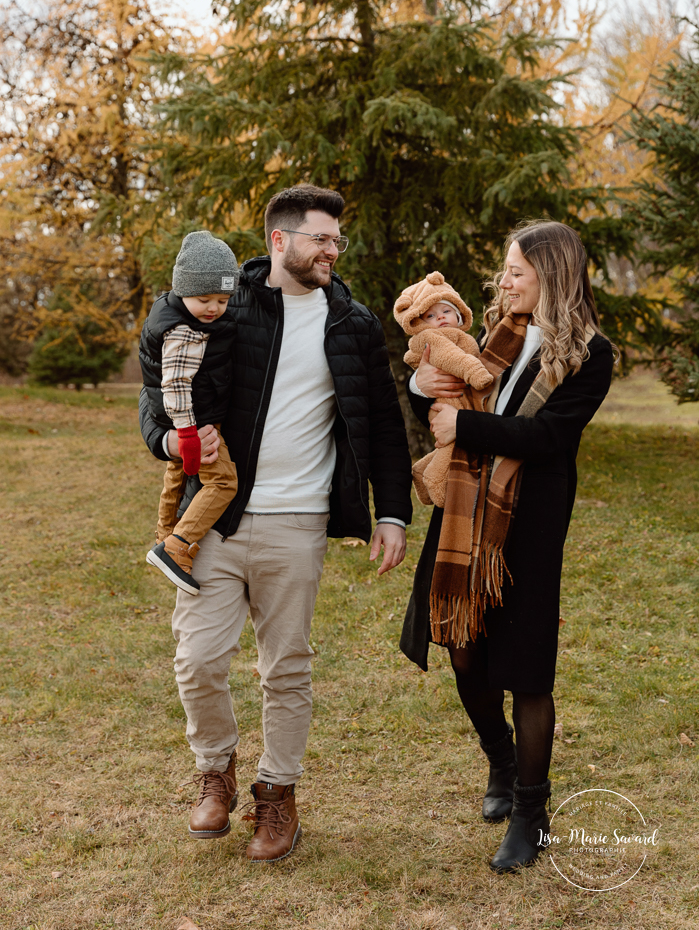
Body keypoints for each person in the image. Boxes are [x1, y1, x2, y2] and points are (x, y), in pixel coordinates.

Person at [139, 184, 412, 862]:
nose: (332, 249)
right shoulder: (228, 311)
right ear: (279, 242)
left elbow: (382, 424)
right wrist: (167, 442)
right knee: (197, 660)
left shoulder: (351, 322)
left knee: (285, 668)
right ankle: (216, 770)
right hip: (217, 520)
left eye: (336, 241)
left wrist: (394, 514)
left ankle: (277, 795)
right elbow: (159, 383)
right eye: (321, 238)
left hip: (297, 523)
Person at [400, 221, 614, 873]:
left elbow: (549, 438)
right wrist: (423, 392)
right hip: (465, 513)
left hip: (529, 522)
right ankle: (498, 757)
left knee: (522, 670)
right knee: (464, 655)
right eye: (505, 269)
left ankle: (530, 813)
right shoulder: (494, 335)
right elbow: (439, 390)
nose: (505, 279)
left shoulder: (588, 353)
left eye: (517, 269)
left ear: (551, 274)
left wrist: (462, 422)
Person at [140, 230, 240, 595]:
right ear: (183, 290)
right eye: (204, 299)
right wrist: (186, 434)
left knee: (176, 475)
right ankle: (177, 546)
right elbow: (176, 384)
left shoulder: (175, 313)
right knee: (223, 481)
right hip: (192, 423)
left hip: (183, 420)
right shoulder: (185, 331)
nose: (213, 308)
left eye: (223, 300)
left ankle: (163, 533)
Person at [393, 270, 493, 507]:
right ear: (419, 322)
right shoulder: (435, 338)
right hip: (448, 404)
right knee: (451, 450)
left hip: (458, 404)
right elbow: (453, 358)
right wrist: (477, 374)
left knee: (449, 447)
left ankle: (421, 470)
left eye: (446, 311)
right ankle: (437, 487)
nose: (440, 318)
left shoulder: (463, 335)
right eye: (431, 315)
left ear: (460, 315)